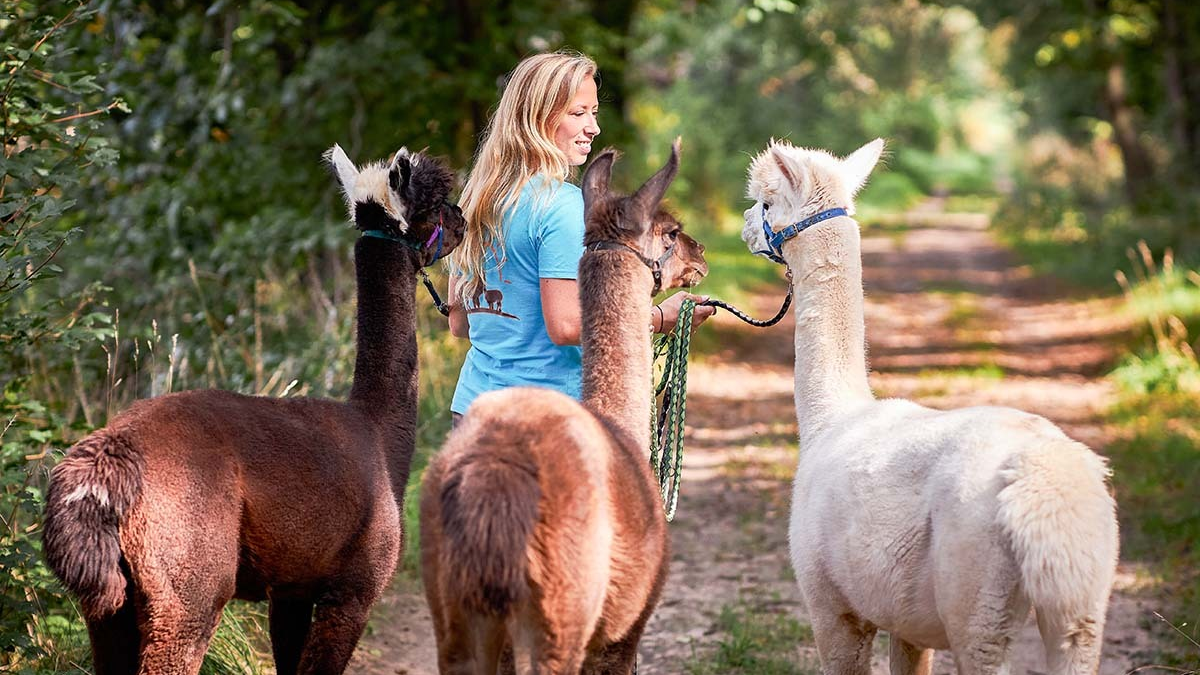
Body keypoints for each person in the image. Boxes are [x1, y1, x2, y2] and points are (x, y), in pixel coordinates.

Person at [446, 50, 713, 422]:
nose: (593, 127)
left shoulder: (478, 202)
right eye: (578, 113)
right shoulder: (562, 206)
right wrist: (659, 317)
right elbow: (567, 325)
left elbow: (460, 323)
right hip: (547, 416)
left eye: (594, 112)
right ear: (538, 119)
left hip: (472, 409)